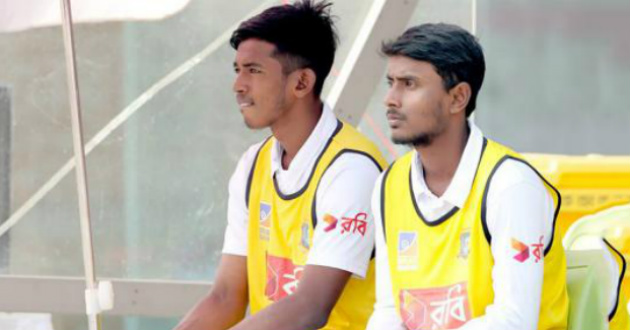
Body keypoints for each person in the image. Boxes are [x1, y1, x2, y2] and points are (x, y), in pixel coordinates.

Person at [174, 1, 387, 330]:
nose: (238, 85)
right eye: (237, 70)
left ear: (302, 83)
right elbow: (226, 296)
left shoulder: (352, 170)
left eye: (254, 70)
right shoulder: (252, 165)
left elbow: (309, 309)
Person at [366, 23, 569, 330]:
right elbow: (388, 308)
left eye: (409, 84)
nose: (391, 99)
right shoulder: (388, 184)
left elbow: (514, 321)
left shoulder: (510, 185)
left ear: (458, 97)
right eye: (391, 82)